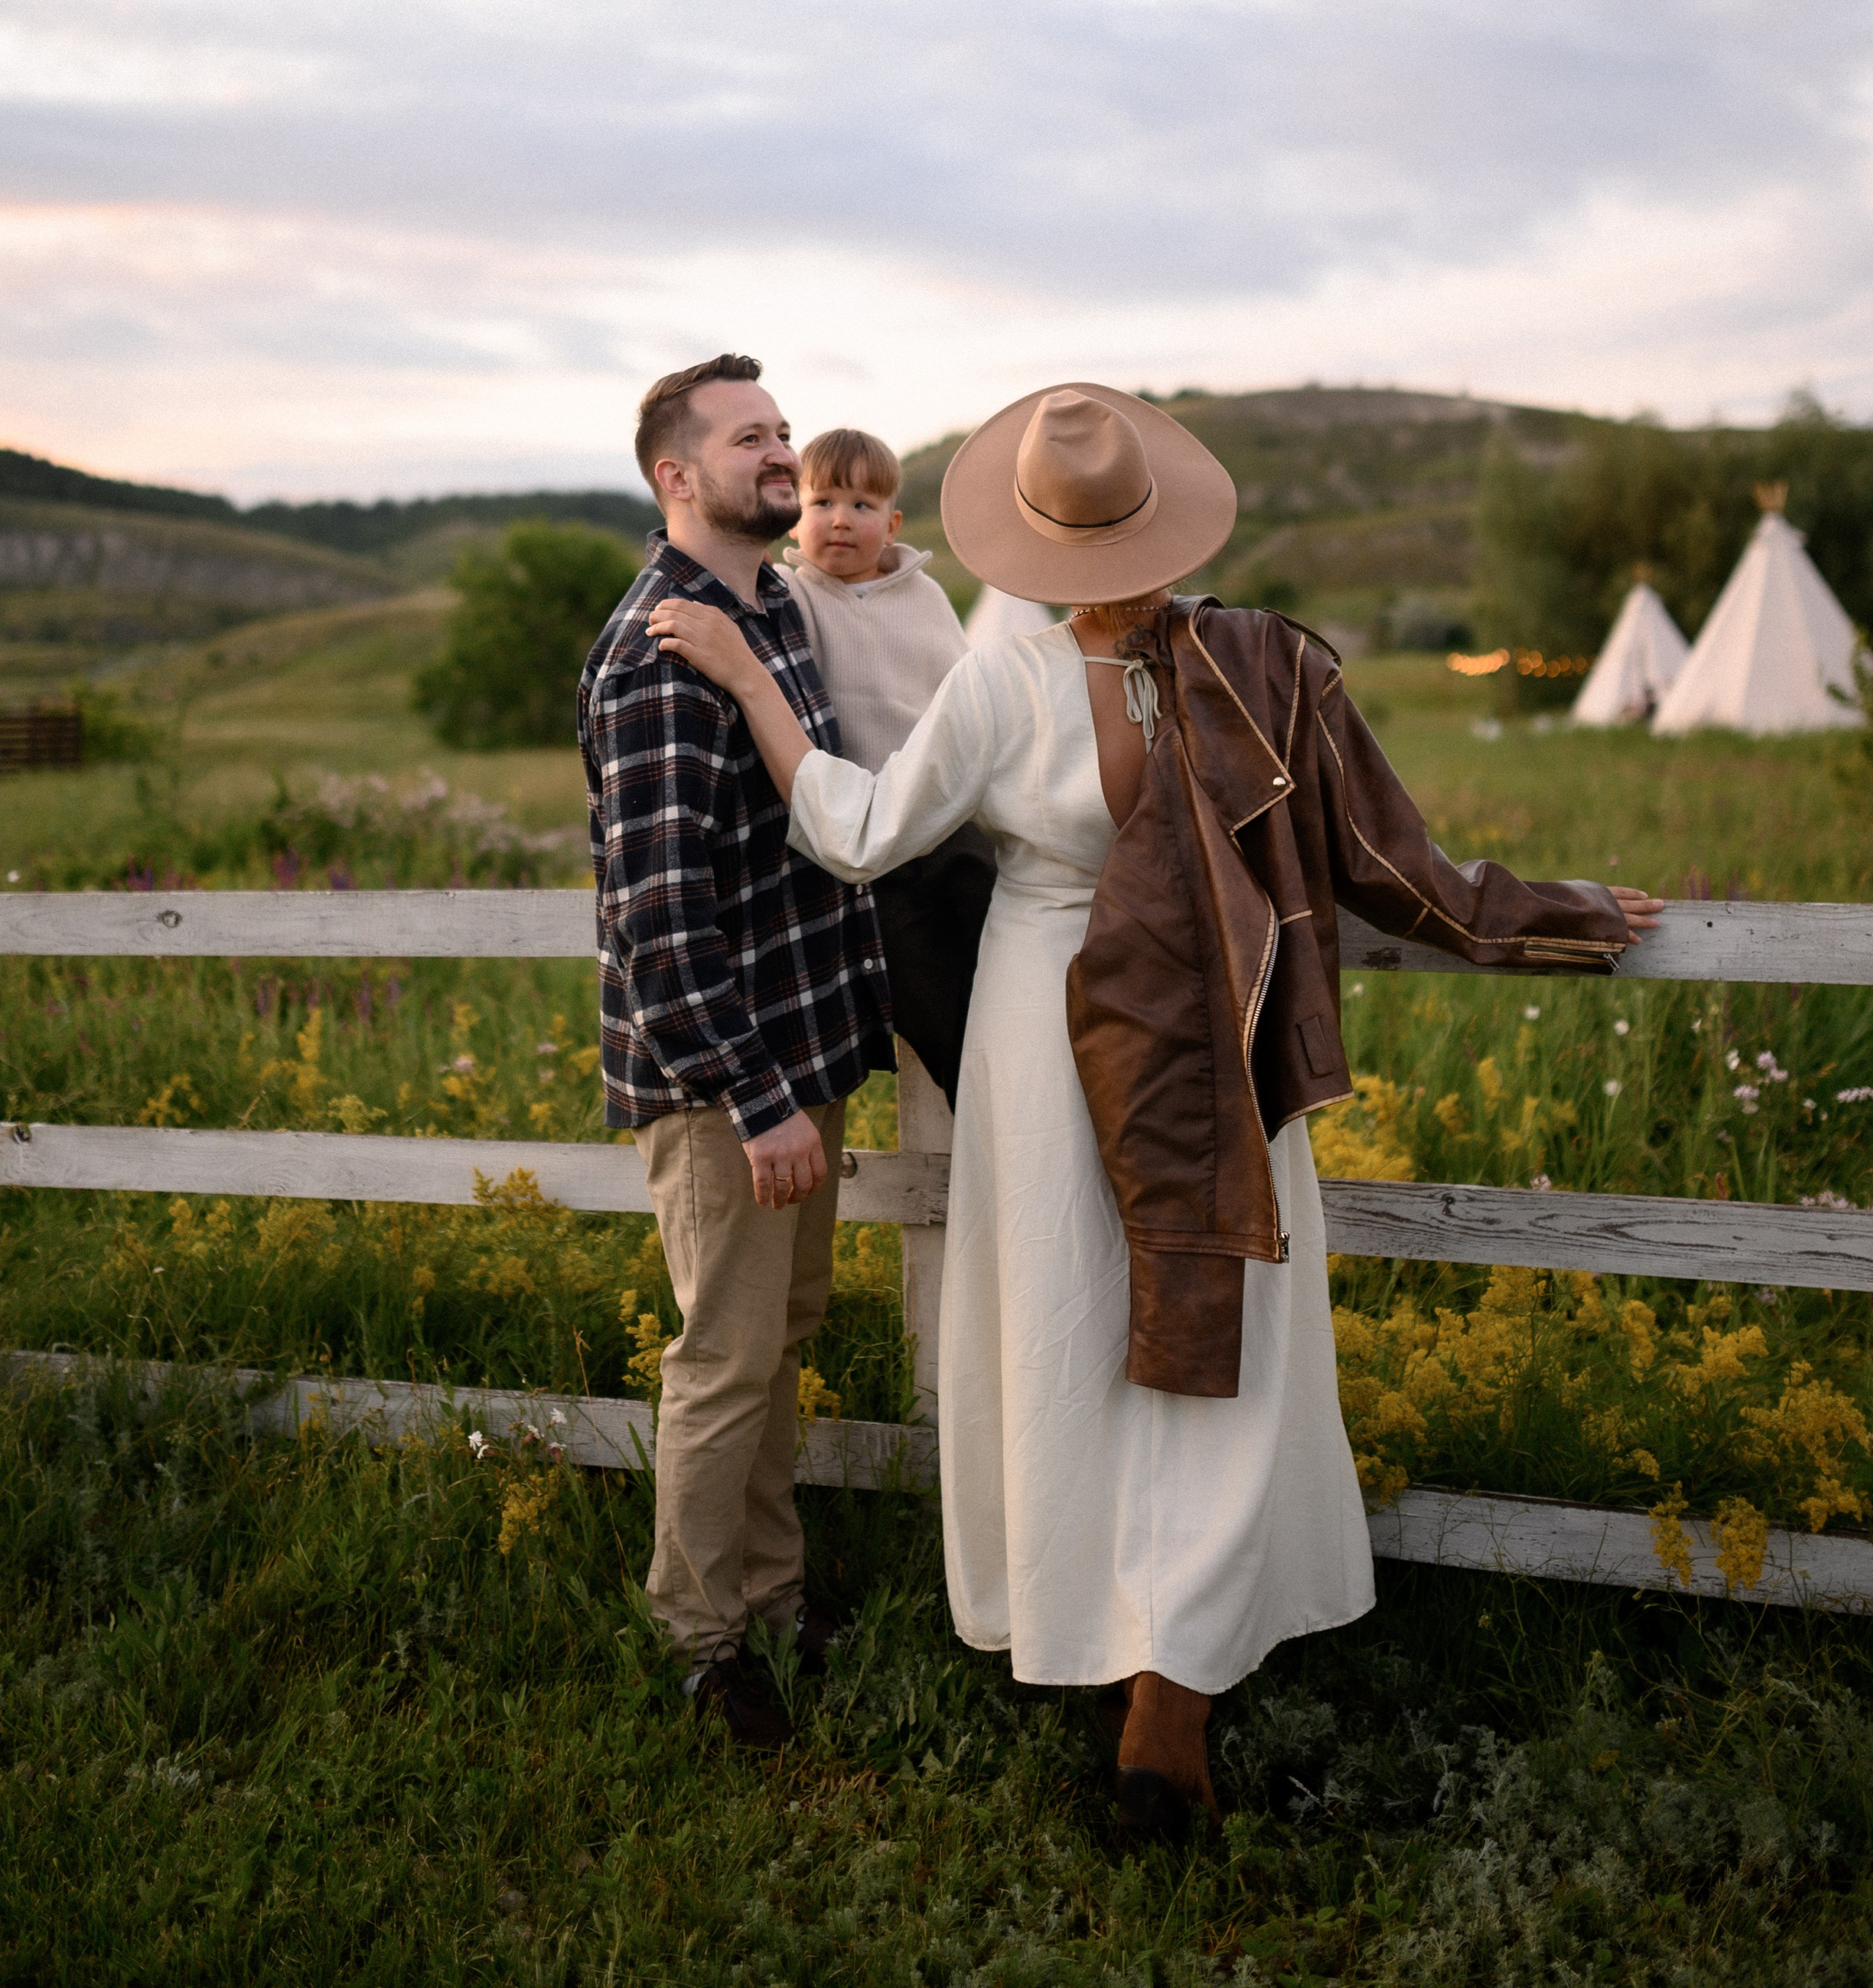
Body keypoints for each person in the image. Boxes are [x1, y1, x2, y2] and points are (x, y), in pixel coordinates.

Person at [645, 383, 1663, 1833]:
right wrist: (1553, 916)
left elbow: (863, 834)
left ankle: (1106, 1630)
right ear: (1164, 528)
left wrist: (754, 686)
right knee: (1216, 1334)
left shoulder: (1000, 681)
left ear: (1029, 544)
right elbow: (1398, 861)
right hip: (1212, 1023)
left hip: (1044, 1018)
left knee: (1066, 1330)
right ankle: (1172, 1673)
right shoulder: (1261, 662)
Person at [577, 353, 894, 1749]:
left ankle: (773, 1595)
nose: (778, 452)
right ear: (676, 474)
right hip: (726, 1085)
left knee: (780, 1340)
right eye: (747, 438)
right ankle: (704, 1640)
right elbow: (659, 917)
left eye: (781, 431)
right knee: (724, 1356)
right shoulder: (664, 650)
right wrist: (761, 1096)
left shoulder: (762, 612)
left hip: (795, 1060)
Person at [782, 425, 995, 1108]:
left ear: (892, 522)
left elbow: (964, 696)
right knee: (932, 994)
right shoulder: (795, 596)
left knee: (998, 955)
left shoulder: (925, 598)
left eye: (862, 506)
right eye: (821, 503)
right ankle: (987, 1108)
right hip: (868, 838)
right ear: (795, 513)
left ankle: (1032, 1085)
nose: (840, 520)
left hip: (943, 817)